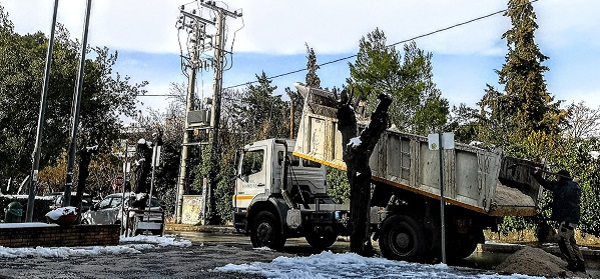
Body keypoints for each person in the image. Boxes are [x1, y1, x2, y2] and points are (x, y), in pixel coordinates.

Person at [532, 168, 585, 272]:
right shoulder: (559, 186)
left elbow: (572, 191)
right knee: (571, 241)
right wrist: (537, 175)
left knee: (562, 239)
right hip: (567, 219)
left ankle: (573, 263)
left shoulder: (572, 187)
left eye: (558, 176)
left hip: (569, 219)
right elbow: (545, 183)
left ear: (561, 177)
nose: (556, 178)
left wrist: (574, 182)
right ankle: (580, 264)